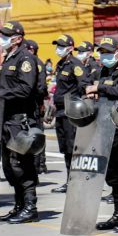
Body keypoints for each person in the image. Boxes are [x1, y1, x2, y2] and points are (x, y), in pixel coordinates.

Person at [0, 21, 43, 224]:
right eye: (1, 35)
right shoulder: (8, 58)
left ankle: (30, 207)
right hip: (7, 119)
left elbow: (25, 89)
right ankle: (19, 206)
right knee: (9, 166)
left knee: (21, 165)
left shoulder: (26, 59)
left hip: (20, 120)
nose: (2, 39)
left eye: (6, 35)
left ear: (18, 38)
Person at [86, 37, 118, 232]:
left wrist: (100, 88)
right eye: (102, 51)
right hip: (106, 127)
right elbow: (105, 91)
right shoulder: (104, 70)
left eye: (108, 51)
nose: (104, 55)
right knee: (112, 174)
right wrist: (95, 94)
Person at [50, 34, 85, 193]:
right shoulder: (60, 64)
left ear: (70, 48)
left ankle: (77, 180)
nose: (58, 49)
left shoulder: (75, 65)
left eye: (62, 46)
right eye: (57, 46)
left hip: (71, 112)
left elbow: (84, 86)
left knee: (73, 148)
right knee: (65, 148)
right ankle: (69, 180)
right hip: (60, 112)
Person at [22, 39, 49, 175]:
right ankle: (38, 164)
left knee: (36, 134)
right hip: (31, 104)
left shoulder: (37, 63)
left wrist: (38, 101)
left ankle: (40, 164)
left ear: (31, 50)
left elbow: (41, 87)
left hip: (35, 105)